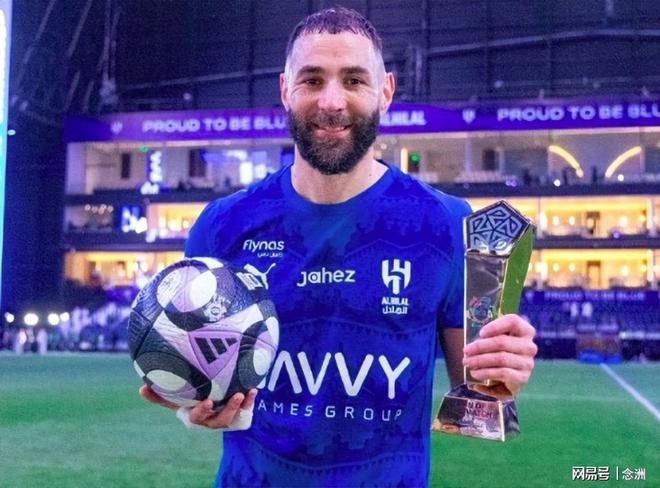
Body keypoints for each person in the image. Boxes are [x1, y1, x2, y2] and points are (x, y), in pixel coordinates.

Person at [140, 7, 537, 487]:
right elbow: (203, 380)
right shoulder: (221, 226)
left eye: (353, 80)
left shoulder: (448, 224)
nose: (332, 102)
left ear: (385, 91)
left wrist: (501, 377)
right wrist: (192, 405)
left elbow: (479, 404)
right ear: (285, 89)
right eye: (312, 80)